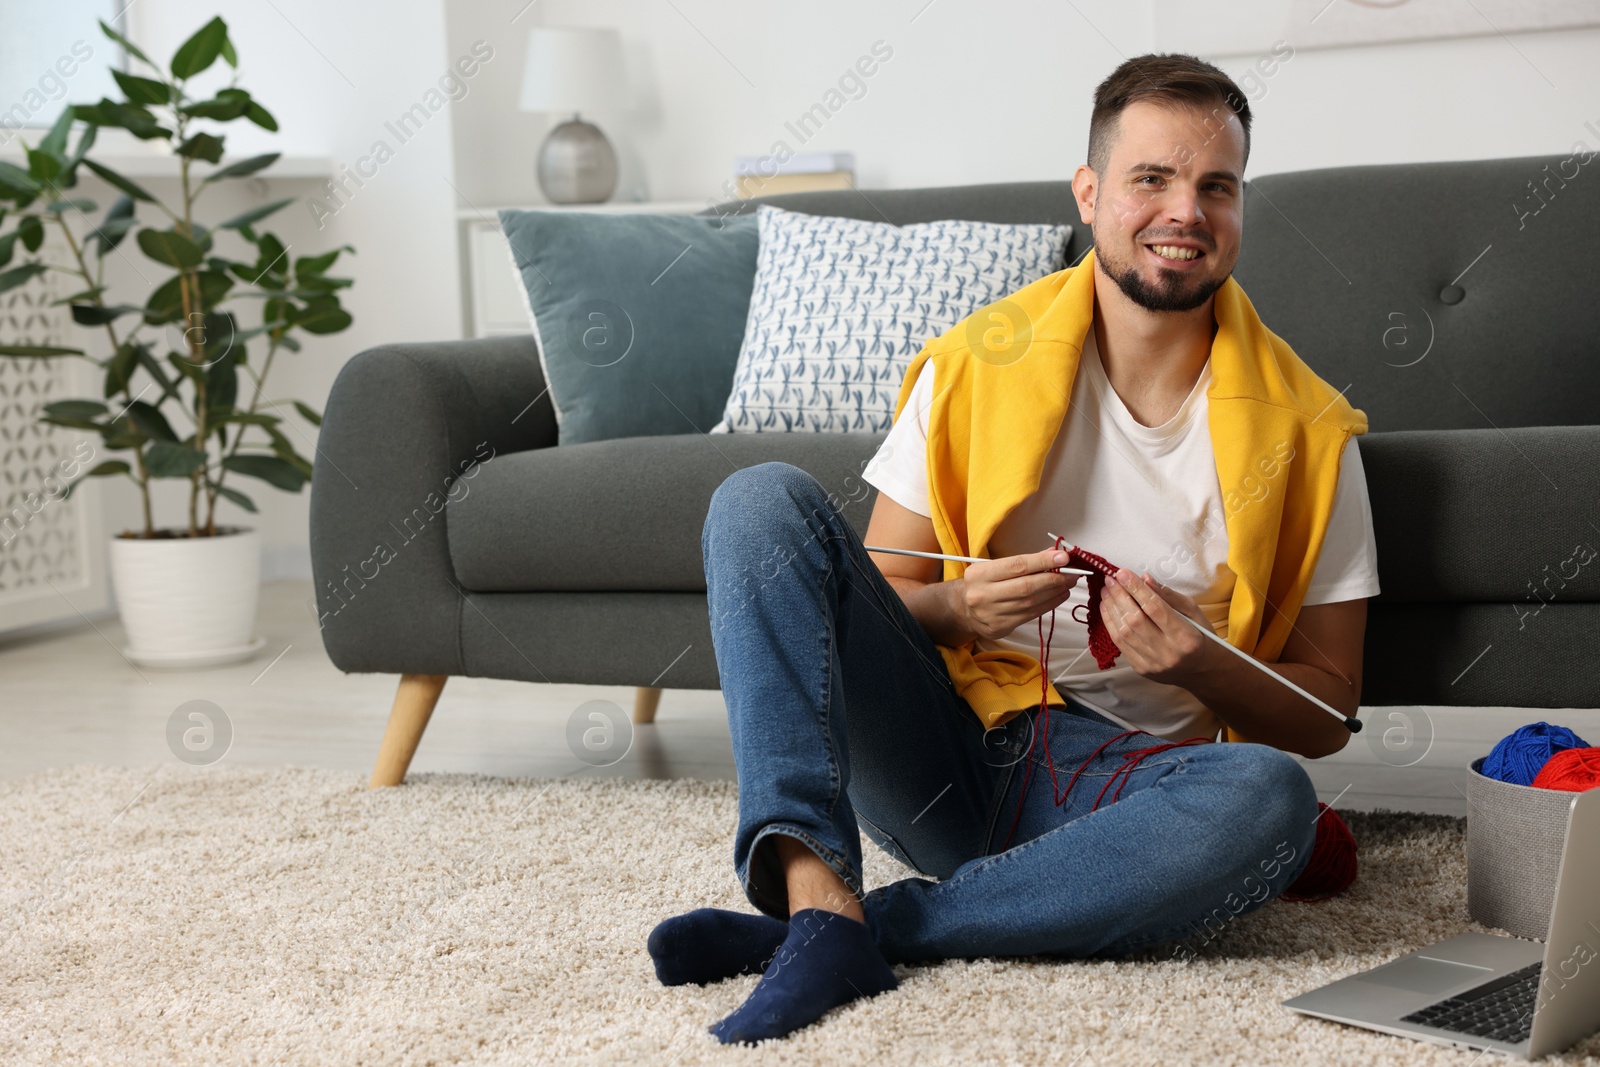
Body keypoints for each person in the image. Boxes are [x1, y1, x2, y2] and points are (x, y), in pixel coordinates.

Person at [648, 52, 1380, 1045]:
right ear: (1089, 193)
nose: (1185, 210)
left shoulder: (1308, 430)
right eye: (1151, 178)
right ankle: (814, 887)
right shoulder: (973, 362)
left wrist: (1200, 660)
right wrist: (958, 608)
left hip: (1128, 789)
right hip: (943, 747)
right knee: (756, 501)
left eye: (1217, 185)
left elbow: (1328, 708)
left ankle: (852, 929)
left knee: (1272, 797)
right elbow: (863, 602)